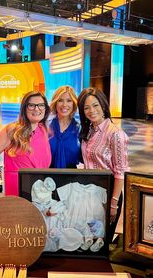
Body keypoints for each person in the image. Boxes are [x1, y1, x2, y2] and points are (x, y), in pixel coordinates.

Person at [77, 87, 129, 240]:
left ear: (104, 106)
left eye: (95, 105)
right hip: (89, 192)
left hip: (108, 191)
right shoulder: (88, 130)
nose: (91, 110)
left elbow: (120, 172)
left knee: (101, 241)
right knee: (89, 238)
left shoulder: (115, 134)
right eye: (86, 107)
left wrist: (113, 204)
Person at [0, 91, 51, 196]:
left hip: (40, 193)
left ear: (45, 109)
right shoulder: (12, 131)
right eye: (31, 105)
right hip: (16, 193)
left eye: (41, 105)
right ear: (24, 109)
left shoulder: (44, 130)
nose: (37, 109)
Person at [49, 85, 81, 168]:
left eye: (69, 100)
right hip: (47, 175)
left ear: (74, 104)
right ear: (55, 103)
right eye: (60, 100)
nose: (64, 105)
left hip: (72, 177)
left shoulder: (80, 129)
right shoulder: (46, 127)